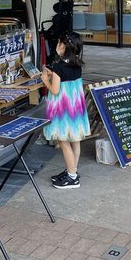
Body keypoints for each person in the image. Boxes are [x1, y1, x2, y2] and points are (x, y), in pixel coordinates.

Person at [40, 31, 90, 189]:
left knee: (63, 141)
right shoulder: (77, 64)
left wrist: (45, 79)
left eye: (59, 43)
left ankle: (72, 178)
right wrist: (53, 75)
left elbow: (55, 90)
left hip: (63, 109)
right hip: (75, 108)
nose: (57, 45)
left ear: (64, 47)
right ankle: (72, 170)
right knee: (75, 140)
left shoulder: (58, 66)